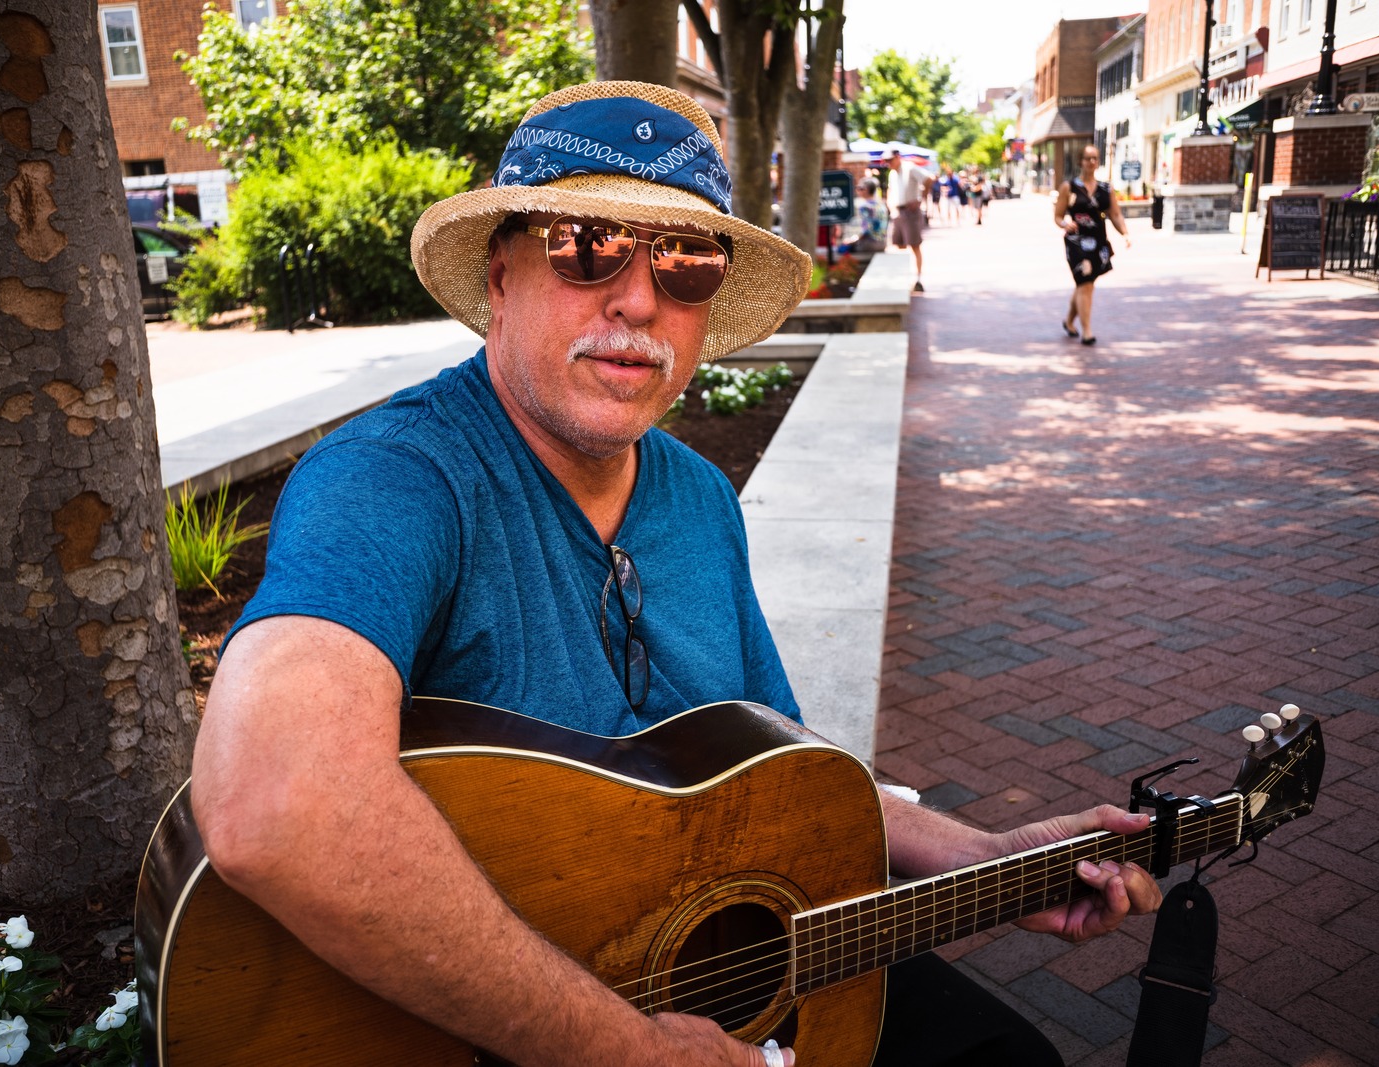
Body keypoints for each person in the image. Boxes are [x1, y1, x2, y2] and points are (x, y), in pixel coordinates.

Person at [192, 80, 1162, 1067]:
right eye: (584, 245)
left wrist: (983, 856)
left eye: (686, 262)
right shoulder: (395, 477)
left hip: (709, 961)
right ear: (499, 277)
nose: (639, 299)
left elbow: (780, 774)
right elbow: (275, 802)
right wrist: (629, 1048)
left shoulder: (698, 496)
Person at [1056, 143, 1132, 345]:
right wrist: (1065, 223)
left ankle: (1069, 321)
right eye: (1087, 158)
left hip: (1098, 241)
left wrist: (1125, 233)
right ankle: (1087, 331)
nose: (1091, 162)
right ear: (1080, 161)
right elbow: (1057, 216)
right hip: (1076, 241)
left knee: (1084, 284)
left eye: (1095, 158)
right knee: (1086, 283)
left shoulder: (1106, 189)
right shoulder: (1069, 187)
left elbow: (1115, 214)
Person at [885, 149, 931, 291]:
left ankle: (918, 279)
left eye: (890, 160)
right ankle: (904, 278)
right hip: (897, 212)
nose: (888, 163)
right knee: (898, 245)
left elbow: (929, 179)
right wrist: (890, 205)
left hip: (910, 212)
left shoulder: (909, 168)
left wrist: (920, 199)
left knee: (914, 245)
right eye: (886, 161)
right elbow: (890, 190)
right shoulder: (892, 174)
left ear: (897, 157)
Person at [847, 175, 888, 254]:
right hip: (882, 243)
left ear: (866, 189)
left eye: (859, 188)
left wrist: (851, 241)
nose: (857, 190)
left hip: (869, 244)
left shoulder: (865, 207)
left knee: (843, 250)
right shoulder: (881, 205)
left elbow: (865, 230)